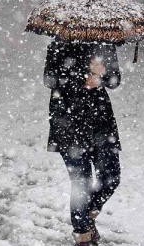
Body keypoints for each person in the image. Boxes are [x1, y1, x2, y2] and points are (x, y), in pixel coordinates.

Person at [43, 40, 122, 246]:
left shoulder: (105, 42)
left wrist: (103, 74)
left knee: (111, 176)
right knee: (81, 183)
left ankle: (87, 217)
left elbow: (115, 80)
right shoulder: (60, 44)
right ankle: (83, 237)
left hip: (101, 123)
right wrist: (83, 76)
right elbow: (50, 79)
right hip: (68, 122)